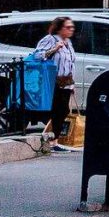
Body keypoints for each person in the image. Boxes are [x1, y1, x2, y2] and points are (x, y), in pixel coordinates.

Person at [31, 17, 77, 149]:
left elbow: (71, 62)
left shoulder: (68, 42)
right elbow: (37, 55)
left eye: (72, 27)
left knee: (63, 110)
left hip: (66, 80)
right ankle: (52, 140)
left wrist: (72, 84)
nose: (71, 30)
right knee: (58, 110)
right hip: (53, 81)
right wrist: (54, 49)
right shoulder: (50, 39)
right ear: (59, 28)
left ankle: (54, 139)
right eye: (68, 27)